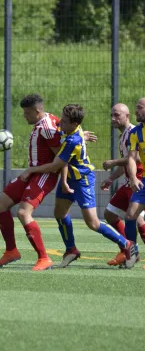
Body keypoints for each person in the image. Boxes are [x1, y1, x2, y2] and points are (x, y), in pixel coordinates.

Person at [19, 103, 136, 269]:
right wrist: (65, 181)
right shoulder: (72, 132)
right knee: (59, 213)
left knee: (93, 222)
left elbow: (55, 165)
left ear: (74, 124)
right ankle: (71, 250)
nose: (60, 124)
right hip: (70, 180)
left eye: (65, 122)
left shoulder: (72, 140)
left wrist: (30, 170)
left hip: (83, 181)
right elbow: (64, 161)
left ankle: (127, 245)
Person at [0, 94, 97, 271]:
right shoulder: (48, 122)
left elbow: (61, 157)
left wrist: (63, 180)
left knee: (24, 213)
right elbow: (66, 137)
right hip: (32, 173)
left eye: (27, 113)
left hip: (43, 175)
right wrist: (82, 135)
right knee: (1, 204)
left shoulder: (47, 127)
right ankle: (11, 251)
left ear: (37, 110)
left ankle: (44, 258)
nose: (24, 116)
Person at [101, 103, 145, 266]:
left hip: (138, 180)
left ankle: (130, 251)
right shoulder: (126, 135)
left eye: (117, 115)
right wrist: (112, 178)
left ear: (127, 116)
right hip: (129, 182)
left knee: (137, 219)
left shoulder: (133, 133)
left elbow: (137, 158)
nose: (113, 118)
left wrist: (114, 162)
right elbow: (128, 163)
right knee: (110, 214)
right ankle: (127, 249)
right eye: (112, 115)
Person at [124, 98, 145, 269]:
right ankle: (132, 252)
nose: (136, 111)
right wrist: (133, 178)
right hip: (143, 180)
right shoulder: (135, 132)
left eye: (139, 108)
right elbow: (131, 158)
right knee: (130, 215)